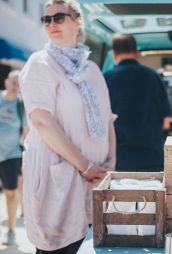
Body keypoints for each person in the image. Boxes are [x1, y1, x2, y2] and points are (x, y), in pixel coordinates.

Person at [18, 0, 116, 253]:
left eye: (58, 17)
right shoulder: (40, 64)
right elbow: (42, 121)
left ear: (77, 22)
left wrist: (110, 164)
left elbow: (107, 118)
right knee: (57, 246)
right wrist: (85, 166)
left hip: (95, 180)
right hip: (59, 178)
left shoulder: (92, 69)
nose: (51, 24)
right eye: (46, 19)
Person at [104, 34, 171, 172]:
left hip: (120, 159)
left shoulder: (106, 78)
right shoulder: (154, 76)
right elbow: (166, 122)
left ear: (114, 53)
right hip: (152, 157)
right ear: (136, 53)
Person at [0, 70, 28, 245]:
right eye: (13, 81)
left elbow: (26, 132)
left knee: (10, 193)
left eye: (19, 82)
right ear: (6, 83)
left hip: (11, 155)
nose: (15, 84)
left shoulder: (21, 105)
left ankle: (10, 231)